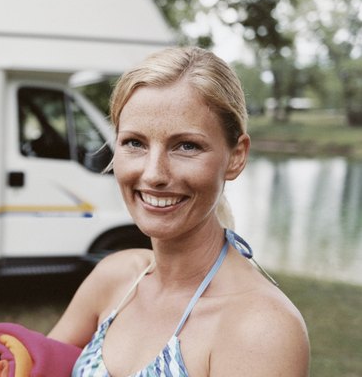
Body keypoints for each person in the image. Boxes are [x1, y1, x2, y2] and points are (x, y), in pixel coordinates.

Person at [47, 47, 310, 376]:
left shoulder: (260, 328)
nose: (154, 174)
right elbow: (35, 362)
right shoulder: (115, 278)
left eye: (186, 145)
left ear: (236, 156)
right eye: (135, 143)